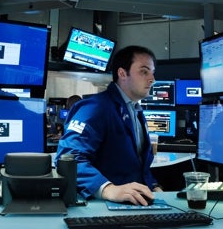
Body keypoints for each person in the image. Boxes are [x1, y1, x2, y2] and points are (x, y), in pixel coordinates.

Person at [55, 45, 162, 205]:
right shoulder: (95, 108)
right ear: (122, 73)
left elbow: (136, 165)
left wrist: (153, 186)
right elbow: (69, 159)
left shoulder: (135, 111)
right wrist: (107, 188)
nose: (152, 79)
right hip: (104, 206)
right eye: (144, 71)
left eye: (152, 72)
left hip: (135, 202)